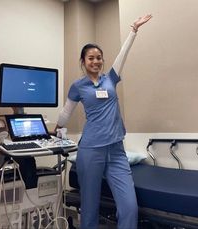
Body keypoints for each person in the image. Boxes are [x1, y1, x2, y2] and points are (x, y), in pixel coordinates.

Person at [55, 14, 152, 229]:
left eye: (99, 57)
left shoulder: (111, 78)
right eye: (91, 58)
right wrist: (56, 129)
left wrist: (133, 30)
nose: (96, 61)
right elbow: (66, 112)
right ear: (83, 61)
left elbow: (123, 55)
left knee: (129, 207)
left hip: (116, 150)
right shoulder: (78, 86)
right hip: (90, 150)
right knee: (89, 208)